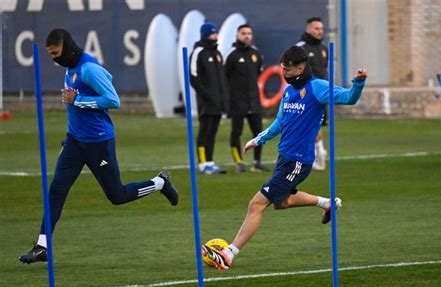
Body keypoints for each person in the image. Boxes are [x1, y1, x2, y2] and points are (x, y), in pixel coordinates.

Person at [19, 29, 179, 264]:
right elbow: (105, 79)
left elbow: (113, 99)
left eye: (56, 53)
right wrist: (71, 133)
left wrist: (79, 101)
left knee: (117, 195)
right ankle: (42, 246)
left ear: (69, 48)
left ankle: (160, 183)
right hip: (74, 142)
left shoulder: (88, 69)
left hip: (98, 143)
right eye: (51, 55)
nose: (54, 59)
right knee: (56, 190)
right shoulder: (70, 66)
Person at [202, 46, 367, 270]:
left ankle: (229, 254)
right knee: (283, 202)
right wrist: (258, 139)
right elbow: (280, 122)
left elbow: (349, 98)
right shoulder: (289, 91)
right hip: (285, 158)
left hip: (299, 161)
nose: (283, 73)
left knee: (256, 204)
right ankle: (327, 203)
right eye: (281, 68)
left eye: (287, 70)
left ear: (300, 68)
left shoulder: (317, 87)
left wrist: (357, 83)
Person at [224, 24, 269, 173]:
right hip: (238, 101)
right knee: (236, 132)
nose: (247, 36)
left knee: (259, 132)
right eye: (243, 33)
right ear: (237, 35)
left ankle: (257, 162)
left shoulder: (255, 54)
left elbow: (258, 72)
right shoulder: (231, 54)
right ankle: (239, 162)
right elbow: (224, 76)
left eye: (249, 33)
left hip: (254, 101)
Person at [189, 22, 229, 175]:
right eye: (212, 33)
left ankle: (211, 162)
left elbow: (222, 79)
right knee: (204, 132)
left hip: (218, 102)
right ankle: (202, 163)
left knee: (213, 132)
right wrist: (206, 95)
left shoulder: (217, 53)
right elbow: (193, 77)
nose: (215, 36)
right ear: (205, 34)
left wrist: (223, 99)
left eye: (215, 33)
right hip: (206, 102)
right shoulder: (198, 52)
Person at [296, 17, 328, 170]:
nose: (320, 31)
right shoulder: (300, 48)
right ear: (308, 29)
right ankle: (318, 151)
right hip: (304, 92)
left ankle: (318, 151)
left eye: (321, 29)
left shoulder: (323, 49)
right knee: (306, 124)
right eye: (316, 28)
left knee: (312, 123)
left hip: (321, 93)